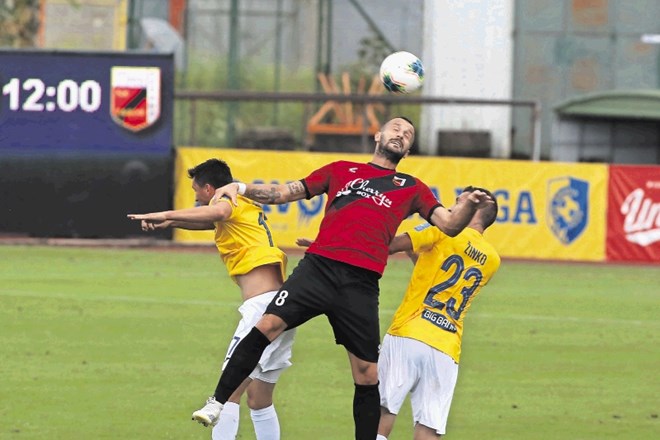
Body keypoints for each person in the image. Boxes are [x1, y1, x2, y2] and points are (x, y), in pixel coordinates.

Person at [194, 117, 494, 440]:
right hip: (319, 267)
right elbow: (283, 192)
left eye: (408, 134)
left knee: (367, 374)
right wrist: (239, 187)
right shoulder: (341, 169)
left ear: (407, 151)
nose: (401, 134)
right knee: (267, 325)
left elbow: (449, 224)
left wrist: (469, 208)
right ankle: (217, 402)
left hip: (361, 284)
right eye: (395, 128)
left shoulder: (412, 187)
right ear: (378, 136)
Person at [127, 158, 295, 440]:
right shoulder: (243, 207)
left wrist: (164, 213)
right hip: (282, 306)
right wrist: (169, 221)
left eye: (196, 191)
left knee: (227, 392)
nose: (195, 197)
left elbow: (215, 213)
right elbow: (211, 222)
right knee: (259, 398)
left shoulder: (228, 200)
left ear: (209, 188)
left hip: (261, 310)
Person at [377, 186, 501, 440]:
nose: (450, 208)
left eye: (459, 202)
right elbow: (442, 276)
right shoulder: (491, 259)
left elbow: (390, 245)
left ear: (473, 210)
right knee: (429, 427)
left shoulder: (441, 232)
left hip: (409, 333)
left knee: (382, 412)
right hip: (446, 348)